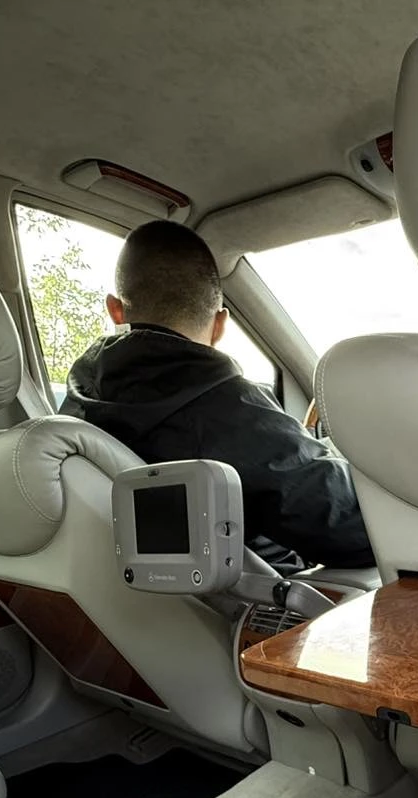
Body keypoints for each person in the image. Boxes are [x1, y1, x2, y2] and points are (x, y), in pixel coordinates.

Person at [66, 220, 374, 572]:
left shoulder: (79, 399)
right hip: (261, 600)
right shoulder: (233, 412)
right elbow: (357, 531)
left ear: (115, 309)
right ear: (220, 324)